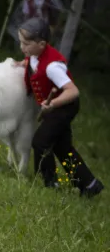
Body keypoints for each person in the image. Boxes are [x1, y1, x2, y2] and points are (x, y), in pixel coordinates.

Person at [18, 17, 103, 198]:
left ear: (41, 44)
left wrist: (53, 104)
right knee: (63, 147)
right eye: (20, 42)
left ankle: (50, 184)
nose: (22, 47)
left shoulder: (53, 67)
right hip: (55, 107)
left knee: (40, 142)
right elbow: (32, 63)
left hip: (64, 106)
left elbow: (73, 91)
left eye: (26, 44)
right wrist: (24, 63)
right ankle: (89, 185)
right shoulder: (35, 55)